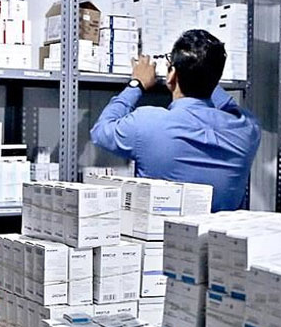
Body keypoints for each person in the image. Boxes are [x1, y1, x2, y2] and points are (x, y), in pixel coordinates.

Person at [90, 29, 261, 212]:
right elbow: (229, 104)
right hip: (219, 230)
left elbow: (100, 131)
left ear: (171, 75)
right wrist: (204, 71)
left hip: (161, 230)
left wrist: (136, 84)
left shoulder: (148, 123)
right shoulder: (247, 129)